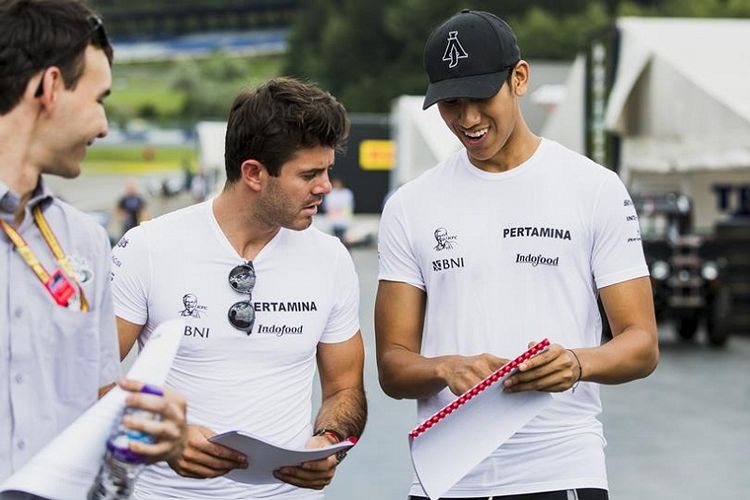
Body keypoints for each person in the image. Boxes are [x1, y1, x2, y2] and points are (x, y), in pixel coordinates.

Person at [375, 10, 659, 500]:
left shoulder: (593, 188)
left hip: (560, 470)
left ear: (519, 79)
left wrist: (577, 362)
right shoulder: (409, 205)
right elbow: (392, 366)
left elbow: (642, 344)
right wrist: (445, 367)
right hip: (446, 478)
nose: (467, 119)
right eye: (450, 102)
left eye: (481, 96)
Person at [111, 77, 367, 498]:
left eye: (326, 171)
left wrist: (330, 443)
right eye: (309, 174)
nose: (325, 186)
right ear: (253, 173)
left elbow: (344, 387)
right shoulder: (148, 248)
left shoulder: (331, 258)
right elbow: (88, 383)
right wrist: (166, 439)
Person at [0, 0, 186, 485]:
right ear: (50, 87)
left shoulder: (85, 241)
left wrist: (150, 429)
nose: (104, 126)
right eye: (99, 98)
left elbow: (94, 400)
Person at [323, 177, 354, 244]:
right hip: (334, 220)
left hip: (344, 220)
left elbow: (348, 206)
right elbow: (328, 206)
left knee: (345, 238)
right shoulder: (330, 194)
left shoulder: (347, 193)